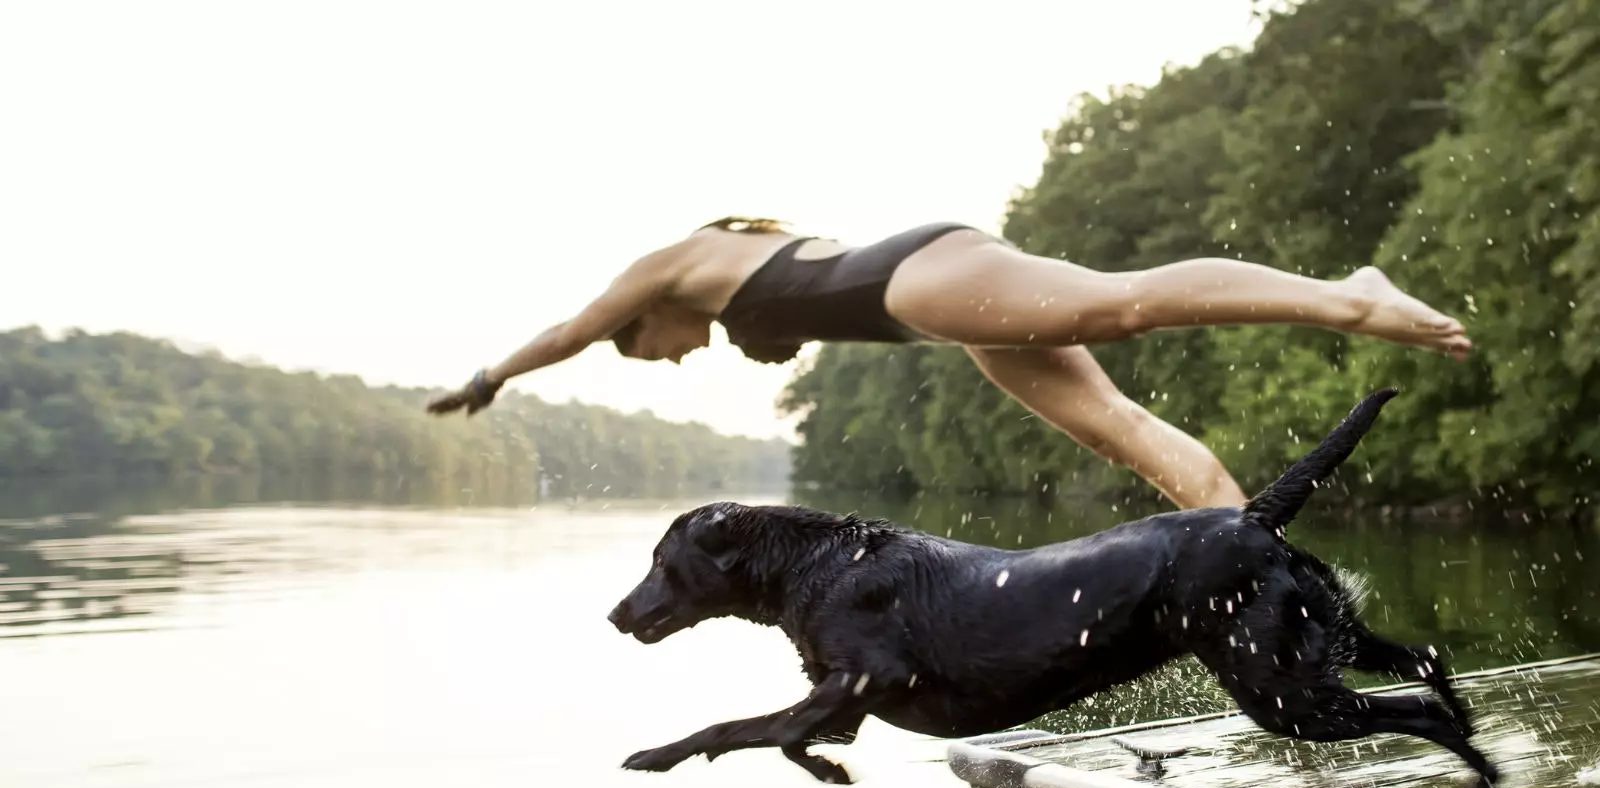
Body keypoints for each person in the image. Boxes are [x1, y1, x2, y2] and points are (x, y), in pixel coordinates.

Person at [424, 217, 1471, 510]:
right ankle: (1237, 554)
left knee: (1123, 304)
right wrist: (760, 335)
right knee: (1118, 428)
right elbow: (787, 307)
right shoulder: (721, 279)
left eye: (644, 353)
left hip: (921, 281)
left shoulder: (663, 267)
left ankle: (1347, 298)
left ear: (640, 319)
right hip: (933, 308)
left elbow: (570, 328)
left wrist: (493, 380)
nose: (661, 358)